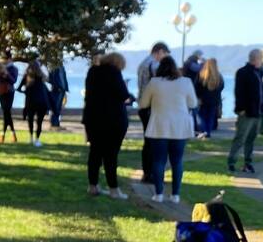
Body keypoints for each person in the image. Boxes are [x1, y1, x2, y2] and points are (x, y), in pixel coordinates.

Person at [138, 55, 198, 203]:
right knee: (177, 161)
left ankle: (158, 194)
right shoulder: (186, 82)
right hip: (179, 127)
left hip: (159, 126)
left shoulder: (154, 83)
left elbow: (143, 104)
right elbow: (193, 103)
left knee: (158, 161)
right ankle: (175, 195)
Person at [81, 53, 135, 198]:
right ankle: (114, 189)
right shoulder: (114, 73)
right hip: (113, 120)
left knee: (95, 153)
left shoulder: (92, 71)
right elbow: (123, 95)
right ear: (118, 63)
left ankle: (93, 186)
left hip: (92, 118)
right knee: (111, 155)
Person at [136, 42, 171, 183]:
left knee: (148, 142)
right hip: (153, 107)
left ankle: (146, 172)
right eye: (165, 55)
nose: (165, 58)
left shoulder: (143, 63)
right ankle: (152, 174)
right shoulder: (154, 65)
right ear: (159, 51)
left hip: (143, 106)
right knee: (155, 142)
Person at [228, 49, 263, 174]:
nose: (262, 61)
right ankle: (232, 162)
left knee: (251, 139)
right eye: (261, 58)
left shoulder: (260, 72)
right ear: (256, 58)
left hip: (257, 112)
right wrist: (240, 109)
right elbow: (239, 92)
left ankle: (248, 163)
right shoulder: (243, 72)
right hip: (247, 111)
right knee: (241, 138)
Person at [17, 60, 51, 146]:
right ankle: (37, 139)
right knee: (39, 122)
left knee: (30, 120)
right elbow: (48, 81)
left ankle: (31, 138)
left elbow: (19, 89)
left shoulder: (27, 77)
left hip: (30, 102)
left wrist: (26, 92)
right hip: (41, 102)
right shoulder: (41, 77)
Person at [196, 58, 224, 139]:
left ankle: (204, 131)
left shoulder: (201, 75)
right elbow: (222, 87)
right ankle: (208, 132)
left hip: (203, 100)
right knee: (210, 117)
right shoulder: (219, 76)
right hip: (214, 100)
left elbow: (197, 87)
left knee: (201, 116)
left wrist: (199, 96)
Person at [0, 57, 19, 143]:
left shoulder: (14, 69)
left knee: (7, 111)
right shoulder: (0, 67)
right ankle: (12, 134)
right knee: (6, 112)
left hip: (9, 92)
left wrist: (6, 74)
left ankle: (3, 134)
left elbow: (13, 81)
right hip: (1, 91)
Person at [47, 60, 70, 129]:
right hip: (56, 90)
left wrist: (65, 88)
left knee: (58, 108)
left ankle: (56, 124)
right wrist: (57, 86)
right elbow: (50, 78)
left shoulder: (62, 67)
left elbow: (64, 78)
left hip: (62, 90)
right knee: (55, 107)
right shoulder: (53, 67)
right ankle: (54, 124)